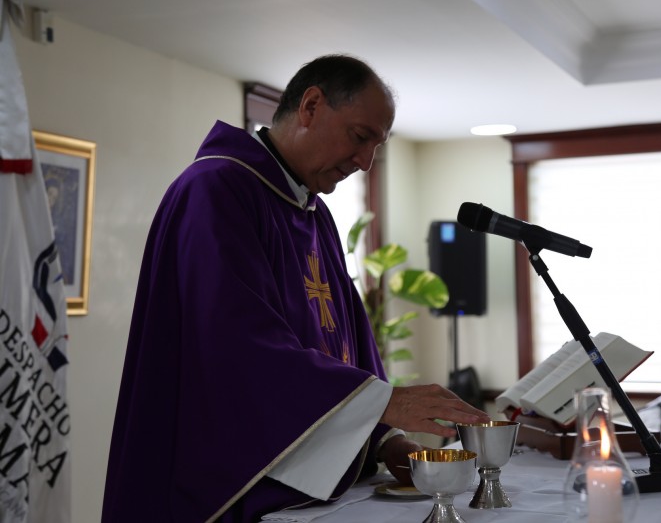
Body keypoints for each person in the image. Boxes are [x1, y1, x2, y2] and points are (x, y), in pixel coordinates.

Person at [101, 54, 489, 523]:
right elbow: (235, 346)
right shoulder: (216, 190)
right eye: (360, 137)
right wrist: (387, 401)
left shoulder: (312, 212)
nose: (366, 163)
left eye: (376, 147)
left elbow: (348, 339)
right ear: (310, 106)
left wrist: (385, 438)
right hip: (224, 481)